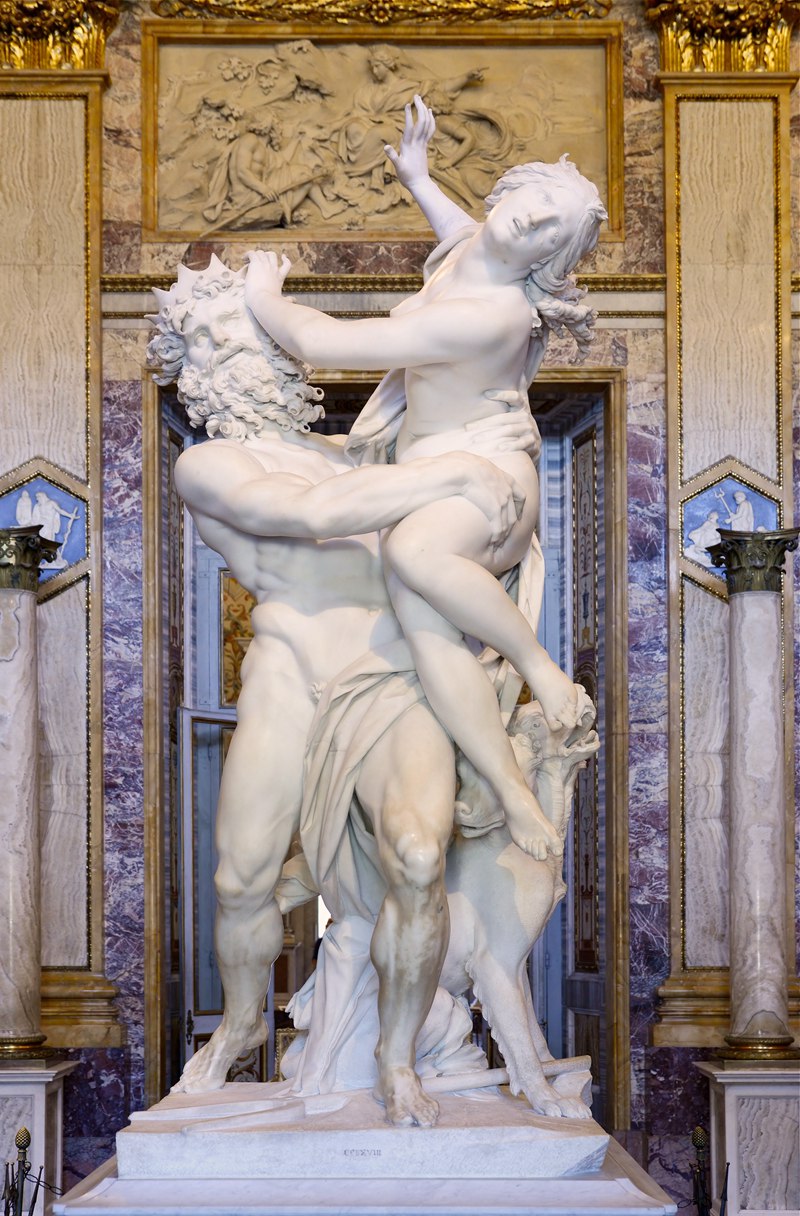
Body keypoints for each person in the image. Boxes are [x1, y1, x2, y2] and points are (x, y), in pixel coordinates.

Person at [146, 255, 541, 1126]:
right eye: (209, 340)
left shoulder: (359, 453)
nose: (232, 353)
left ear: (279, 344)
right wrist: (453, 473)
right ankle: (243, 1023)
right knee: (243, 878)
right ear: (191, 369)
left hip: (392, 676)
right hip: (290, 671)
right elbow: (315, 516)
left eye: (243, 331)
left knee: (418, 858)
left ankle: (397, 1059)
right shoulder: (208, 464)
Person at [244, 97, 606, 861]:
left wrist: (265, 299)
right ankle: (509, 792)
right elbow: (460, 239)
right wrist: (419, 178)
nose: (533, 220)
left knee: (414, 555)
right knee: (429, 633)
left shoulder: (491, 316)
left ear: (549, 259)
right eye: (537, 200)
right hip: (433, 478)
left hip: (486, 482)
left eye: (552, 229)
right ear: (511, 190)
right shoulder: (475, 251)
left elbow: (326, 343)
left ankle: (541, 670)